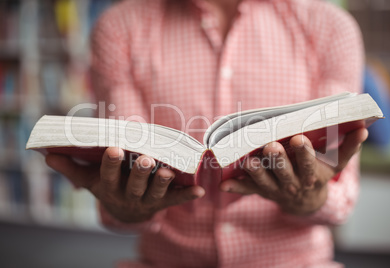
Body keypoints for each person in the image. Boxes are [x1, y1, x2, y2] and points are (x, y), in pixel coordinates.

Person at [46, 0, 368, 267]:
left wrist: (311, 197)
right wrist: (123, 207)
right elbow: (125, 177)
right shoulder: (118, 28)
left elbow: (341, 199)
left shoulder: (332, 29)